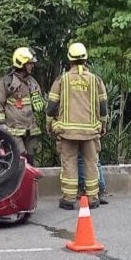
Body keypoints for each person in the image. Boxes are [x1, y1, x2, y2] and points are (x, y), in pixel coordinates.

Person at [46, 42, 107, 209]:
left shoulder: (62, 80)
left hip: (67, 132)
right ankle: (93, 199)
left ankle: (68, 199)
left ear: (69, 60)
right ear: (86, 60)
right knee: (91, 163)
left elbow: (51, 106)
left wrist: (49, 124)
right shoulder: (96, 80)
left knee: (69, 163)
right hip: (90, 132)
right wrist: (104, 124)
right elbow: (103, 106)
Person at [0, 46, 45, 164]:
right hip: (13, 130)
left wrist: (39, 101)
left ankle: (30, 183)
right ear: (21, 64)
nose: (32, 66)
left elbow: (39, 106)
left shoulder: (32, 82)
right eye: (29, 63)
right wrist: (1, 124)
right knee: (19, 159)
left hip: (30, 130)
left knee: (30, 160)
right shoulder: (6, 82)